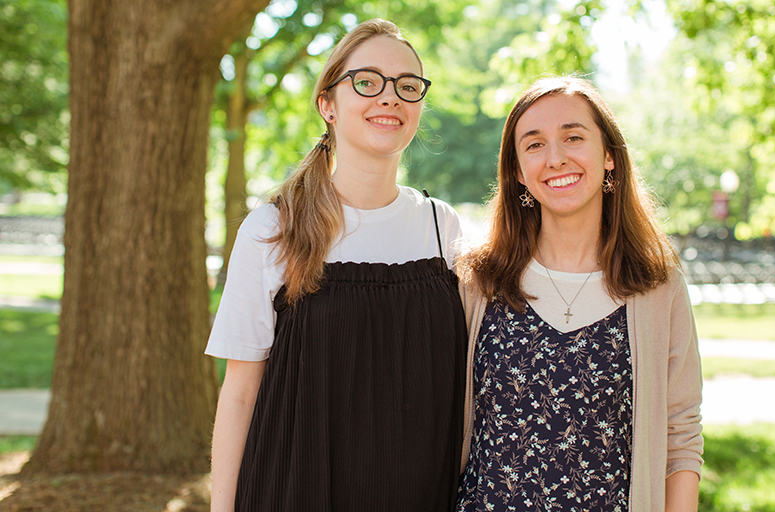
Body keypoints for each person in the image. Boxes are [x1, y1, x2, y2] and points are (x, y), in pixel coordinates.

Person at [206, 19, 467, 512]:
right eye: (366, 82)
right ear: (328, 104)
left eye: (407, 87)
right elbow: (240, 395)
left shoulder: (441, 228)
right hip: (294, 490)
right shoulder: (272, 228)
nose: (389, 97)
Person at [455, 76, 704, 512]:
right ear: (516, 170)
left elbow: (680, 437)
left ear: (609, 155)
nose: (555, 158)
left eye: (573, 137)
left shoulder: (658, 286)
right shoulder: (479, 281)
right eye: (533, 145)